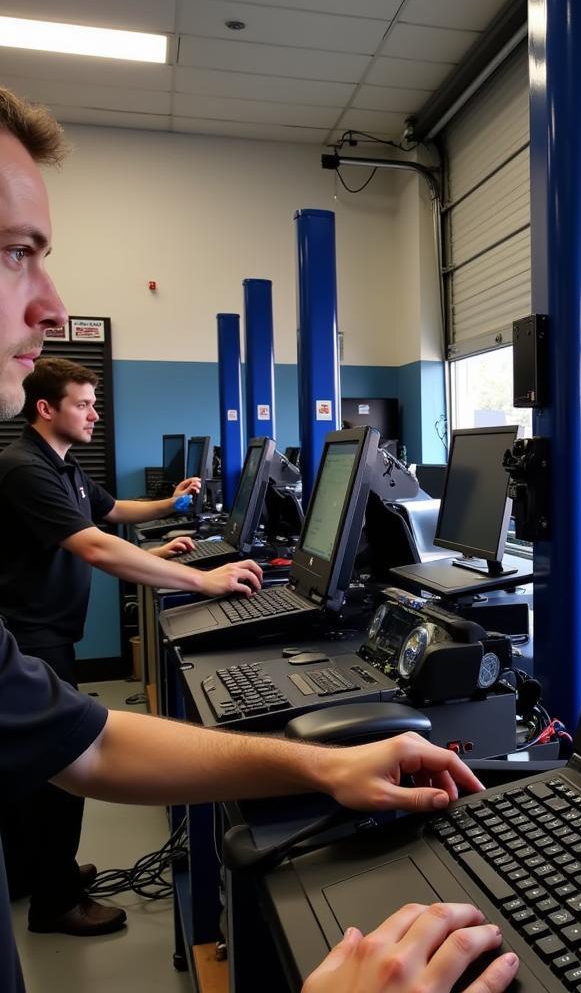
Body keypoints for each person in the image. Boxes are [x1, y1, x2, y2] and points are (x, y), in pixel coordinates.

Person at [0, 87, 518, 993]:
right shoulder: (17, 465)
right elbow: (86, 555)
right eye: (15, 256)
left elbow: (88, 745)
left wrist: (323, 767)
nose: (50, 304)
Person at [0, 354, 267, 935]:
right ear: (46, 409)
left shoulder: (63, 467)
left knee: (38, 771)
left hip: (49, 632)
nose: (95, 413)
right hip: (29, 635)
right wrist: (206, 579)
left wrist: (170, 510)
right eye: (83, 404)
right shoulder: (24, 467)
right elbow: (95, 547)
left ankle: (39, 872)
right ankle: (56, 901)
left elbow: (114, 512)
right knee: (61, 764)